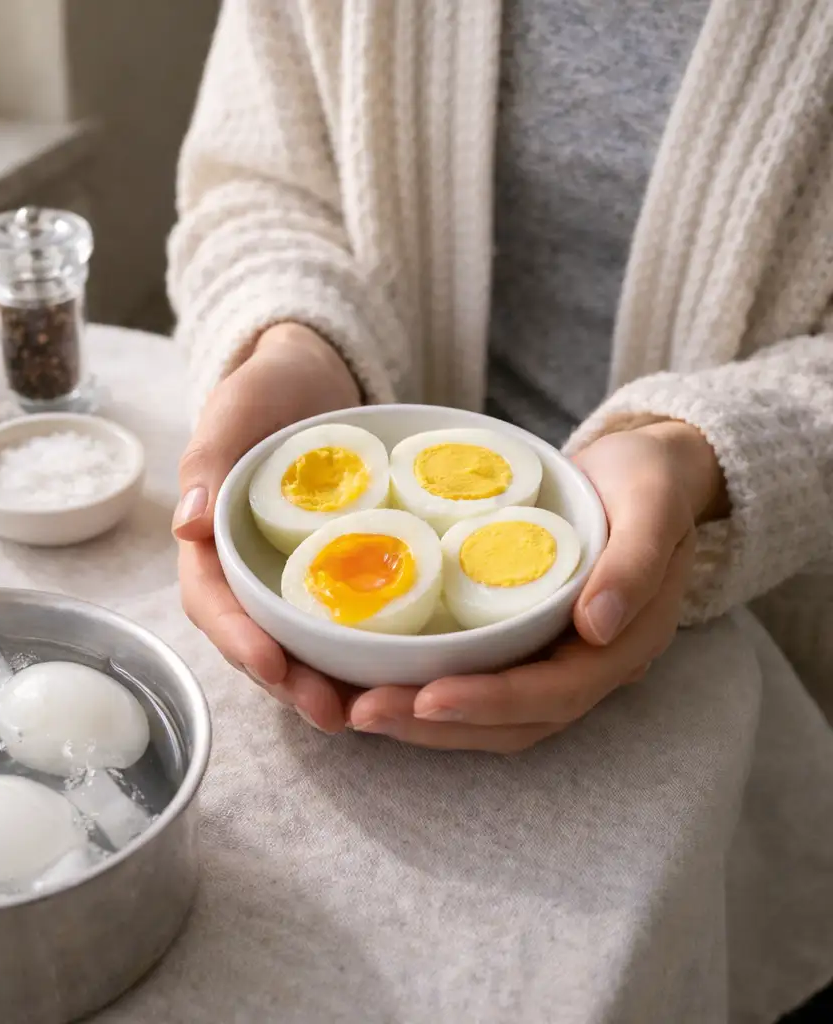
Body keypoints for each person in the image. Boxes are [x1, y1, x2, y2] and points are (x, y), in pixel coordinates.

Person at [167, 2, 833, 1020]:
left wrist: (702, 456)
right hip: (365, 732)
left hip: (775, 645)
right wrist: (293, 340)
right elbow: (257, 182)